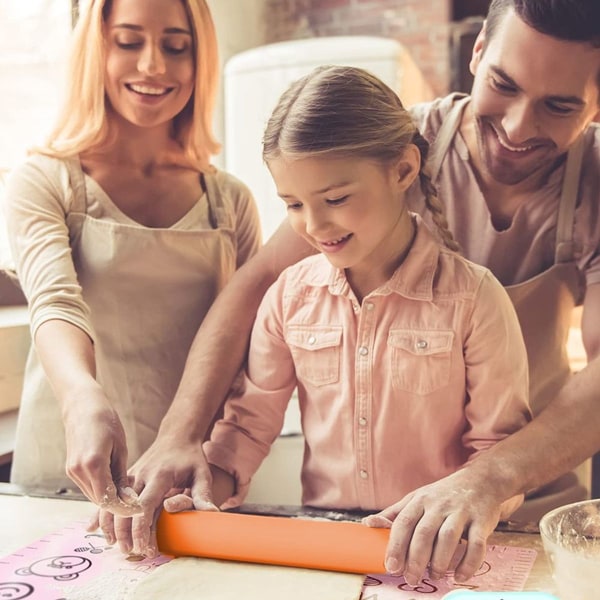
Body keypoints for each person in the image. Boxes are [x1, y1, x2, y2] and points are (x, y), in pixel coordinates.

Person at [78, 0, 600, 583]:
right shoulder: (385, 146)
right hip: (345, 543)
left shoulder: (486, 285)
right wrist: (183, 441)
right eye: (504, 84)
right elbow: (256, 291)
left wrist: (488, 480)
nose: (516, 128)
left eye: (559, 105)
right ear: (477, 53)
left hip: (521, 514)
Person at [200, 64, 531, 525]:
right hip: (327, 547)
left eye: (335, 199)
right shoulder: (288, 298)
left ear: (402, 170)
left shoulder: (475, 300)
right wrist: (199, 493)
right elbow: (245, 429)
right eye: (293, 205)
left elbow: (497, 453)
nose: (313, 227)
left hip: (436, 546)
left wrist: (460, 509)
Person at [3, 0, 261, 536]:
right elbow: (55, 301)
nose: (153, 67)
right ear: (95, 50)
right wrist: (81, 400)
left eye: (175, 46)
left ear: (200, 60)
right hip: (67, 469)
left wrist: (223, 455)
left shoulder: (229, 200)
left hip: (190, 478)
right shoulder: (46, 180)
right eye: (128, 42)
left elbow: (254, 343)